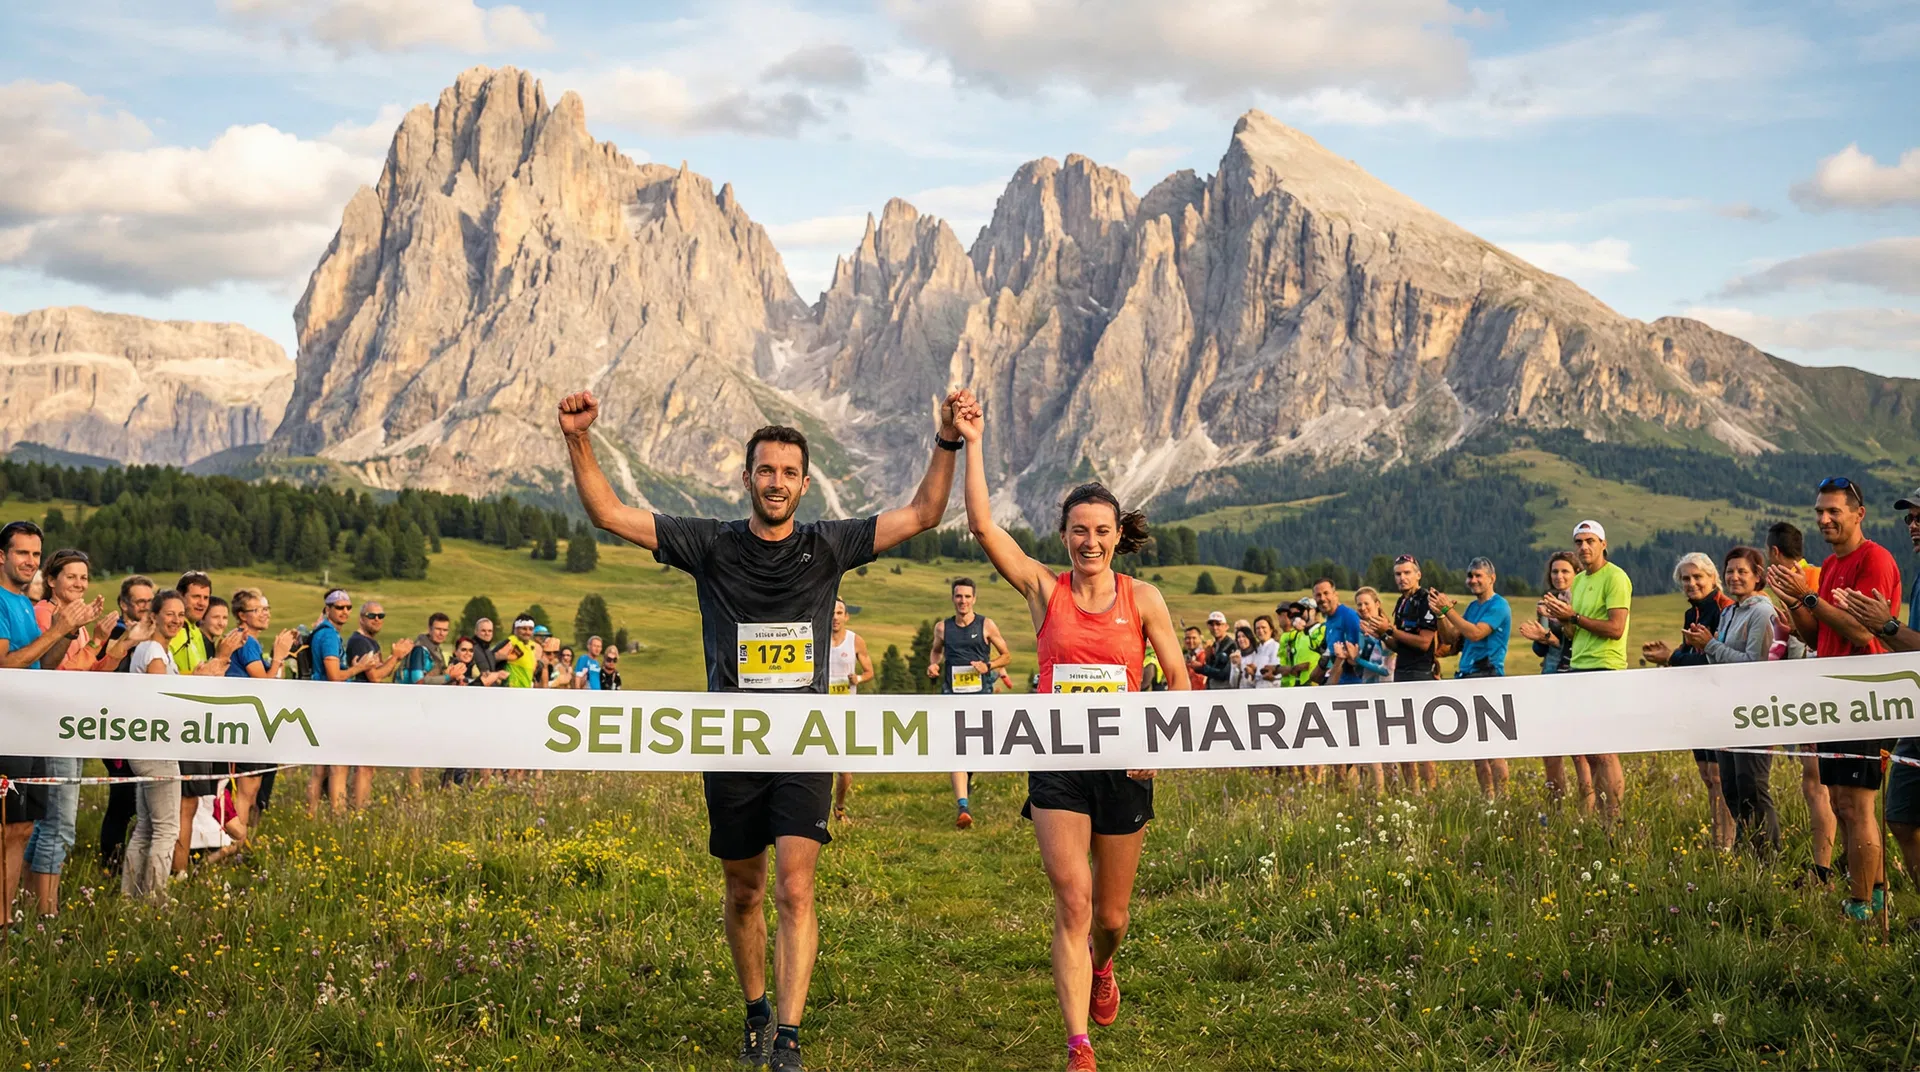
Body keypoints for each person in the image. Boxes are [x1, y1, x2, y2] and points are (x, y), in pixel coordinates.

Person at [561, 384, 969, 1072]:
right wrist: (578, 436)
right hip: (731, 743)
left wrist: (949, 439)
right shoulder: (710, 545)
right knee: (744, 890)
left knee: (795, 888)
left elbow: (927, 512)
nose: (776, 483)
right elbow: (607, 512)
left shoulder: (828, 546)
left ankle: (788, 1037)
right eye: (765, 471)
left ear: (805, 484)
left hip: (804, 740)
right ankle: (754, 1010)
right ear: (746, 477)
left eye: (788, 473)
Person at [954, 400, 1188, 1072]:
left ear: (1118, 537)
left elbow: (1176, 678)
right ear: (1063, 536)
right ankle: (1078, 1044)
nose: (1090, 542)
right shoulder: (1041, 590)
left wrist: (1154, 748)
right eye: (1079, 531)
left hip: (1123, 766)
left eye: (1102, 531)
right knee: (1073, 899)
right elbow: (981, 526)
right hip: (1056, 764)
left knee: (1110, 919)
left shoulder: (1143, 600)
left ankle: (1104, 969)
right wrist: (973, 441)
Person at [1768, 476, 1903, 922]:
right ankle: (1875, 892)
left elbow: (1862, 631)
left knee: (1857, 803)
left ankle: (1861, 906)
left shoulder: (1875, 559)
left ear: (1858, 514)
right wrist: (1794, 604)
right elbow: (1817, 633)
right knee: (1842, 804)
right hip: (1832, 695)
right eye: (1819, 512)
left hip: (1864, 696)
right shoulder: (1830, 567)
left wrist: (1809, 596)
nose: (1824, 519)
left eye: (1833, 512)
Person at [1641, 552, 1737, 851]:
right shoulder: (1690, 614)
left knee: (1720, 777)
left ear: (1713, 578)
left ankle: (1727, 841)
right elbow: (1690, 657)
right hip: (1697, 701)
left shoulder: (1724, 609)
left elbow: (1709, 657)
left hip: (1720, 700)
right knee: (1708, 775)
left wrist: (1672, 656)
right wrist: (1672, 657)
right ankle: (1717, 838)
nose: (1692, 583)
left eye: (1698, 577)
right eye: (1686, 578)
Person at [1696, 547, 1785, 857]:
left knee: (1754, 786)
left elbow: (1753, 663)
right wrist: (1707, 645)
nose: (1733, 577)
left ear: (1758, 576)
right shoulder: (1730, 610)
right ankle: (1747, 851)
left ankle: (1768, 856)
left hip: (1755, 709)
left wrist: (1710, 644)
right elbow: (1719, 660)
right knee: (1732, 788)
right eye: (1729, 571)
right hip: (1728, 708)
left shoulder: (1763, 612)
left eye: (1742, 571)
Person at [1538, 521, 1630, 820]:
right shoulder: (1578, 582)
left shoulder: (1615, 577)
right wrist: (1561, 618)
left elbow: (1616, 629)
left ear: (1604, 543)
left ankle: (1613, 818)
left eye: (1590, 541)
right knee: (1589, 751)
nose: (1584, 547)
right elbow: (1575, 634)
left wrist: (1573, 616)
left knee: (1604, 752)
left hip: (1605, 666)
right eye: (1579, 542)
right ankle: (1600, 816)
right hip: (1578, 665)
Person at [1768, 521, 1840, 884]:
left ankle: (1823, 866)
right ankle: (1836, 863)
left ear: (1774, 553)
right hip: (1815, 684)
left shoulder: (1805, 579)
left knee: (1817, 783)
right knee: (1826, 785)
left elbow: (1815, 639)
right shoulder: (1820, 572)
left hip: (1816, 686)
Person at [220, 588, 298, 857]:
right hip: (244, 721)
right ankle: (235, 846)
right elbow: (261, 685)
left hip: (252, 722)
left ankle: (241, 844)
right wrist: (279, 655)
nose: (265, 614)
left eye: (267, 608)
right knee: (247, 788)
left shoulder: (250, 641)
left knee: (253, 789)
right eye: (258, 609)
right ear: (242, 616)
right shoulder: (246, 642)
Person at [929, 577, 1012, 829]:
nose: (962, 601)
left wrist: (988, 665)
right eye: (958, 596)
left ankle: (967, 779)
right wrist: (933, 664)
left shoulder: (986, 625)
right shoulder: (942, 628)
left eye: (967, 596)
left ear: (974, 599)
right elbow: (936, 651)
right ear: (952, 598)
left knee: (975, 751)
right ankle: (963, 807)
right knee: (957, 751)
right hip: (952, 697)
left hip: (981, 697)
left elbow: (1006, 655)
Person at [125, 589, 189, 900]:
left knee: (147, 826)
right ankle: (155, 897)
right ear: (154, 616)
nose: (176, 620)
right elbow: (161, 702)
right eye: (170, 614)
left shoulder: (154, 650)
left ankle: (131, 896)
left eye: (180, 614)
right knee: (167, 828)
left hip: (145, 747)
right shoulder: (152, 652)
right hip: (157, 747)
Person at [1516, 552, 1592, 804]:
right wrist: (1539, 636)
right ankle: (1555, 804)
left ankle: (1587, 806)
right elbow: (1542, 648)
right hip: (1549, 675)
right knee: (1550, 747)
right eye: (1555, 572)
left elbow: (1576, 641)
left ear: (1576, 574)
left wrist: (1548, 637)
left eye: (1565, 572)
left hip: (1572, 675)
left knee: (1579, 750)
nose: (1559, 576)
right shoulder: (1545, 603)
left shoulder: (1581, 602)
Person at [1433, 557, 1512, 799]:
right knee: (1477, 747)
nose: (1473, 580)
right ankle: (1487, 797)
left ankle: (1503, 797)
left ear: (1492, 578)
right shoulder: (1472, 608)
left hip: (1487, 674)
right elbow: (1452, 639)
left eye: (1478, 575)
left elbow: (1476, 634)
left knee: (1493, 746)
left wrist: (1449, 610)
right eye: (1470, 576)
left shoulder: (1499, 606)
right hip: (1466, 675)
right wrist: (1440, 616)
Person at [1361, 555, 1439, 792]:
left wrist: (1390, 629)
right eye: (1398, 574)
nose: (1402, 578)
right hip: (1402, 673)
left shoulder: (1425, 600)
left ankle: (1430, 792)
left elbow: (1424, 642)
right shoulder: (1401, 602)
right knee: (1405, 739)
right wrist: (1382, 635)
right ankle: (1413, 792)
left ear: (1418, 574)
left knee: (1423, 740)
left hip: (1421, 673)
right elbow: (1398, 645)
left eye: (1407, 573)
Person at [97, 574, 156, 874]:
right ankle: (110, 863)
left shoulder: (153, 636)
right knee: (122, 800)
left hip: (146, 727)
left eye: (150, 601)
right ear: (124, 604)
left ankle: (129, 860)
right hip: (117, 727)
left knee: (140, 801)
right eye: (140, 601)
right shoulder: (116, 634)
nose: (146, 607)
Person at [307, 589, 380, 818]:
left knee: (321, 766)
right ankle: (337, 815)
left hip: (322, 701)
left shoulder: (323, 632)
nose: (345, 611)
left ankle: (313, 813)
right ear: (327, 609)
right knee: (338, 764)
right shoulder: (328, 635)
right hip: (329, 703)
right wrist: (360, 668)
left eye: (348, 607)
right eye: (339, 607)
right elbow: (334, 675)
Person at [827, 599, 875, 824]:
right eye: (832, 612)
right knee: (818, 767)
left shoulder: (855, 641)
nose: (835, 617)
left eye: (839, 613)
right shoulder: (817, 639)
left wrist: (858, 678)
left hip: (847, 712)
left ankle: (840, 808)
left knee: (845, 771)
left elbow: (869, 672)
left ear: (846, 617)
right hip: (820, 712)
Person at [1191, 611, 1236, 688]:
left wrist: (1202, 668)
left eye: (1218, 624)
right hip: (1213, 690)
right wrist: (1208, 659)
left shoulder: (1231, 646)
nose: (1215, 627)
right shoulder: (1213, 646)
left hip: (1226, 691)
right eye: (1211, 624)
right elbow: (1213, 670)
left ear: (1226, 626)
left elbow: (1225, 674)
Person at [496, 617, 541, 688]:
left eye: (530, 629)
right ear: (516, 630)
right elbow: (493, 655)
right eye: (524, 629)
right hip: (512, 686)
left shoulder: (532, 645)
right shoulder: (512, 641)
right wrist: (507, 657)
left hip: (526, 686)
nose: (527, 632)